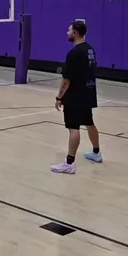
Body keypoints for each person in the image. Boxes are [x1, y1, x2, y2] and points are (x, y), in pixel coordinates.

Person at [52, 21, 101, 173]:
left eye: (69, 30)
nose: (67, 33)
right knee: (89, 123)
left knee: (73, 128)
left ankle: (69, 163)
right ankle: (96, 152)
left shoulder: (74, 53)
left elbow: (66, 80)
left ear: (75, 33)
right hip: (88, 92)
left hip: (75, 95)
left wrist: (59, 97)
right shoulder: (90, 49)